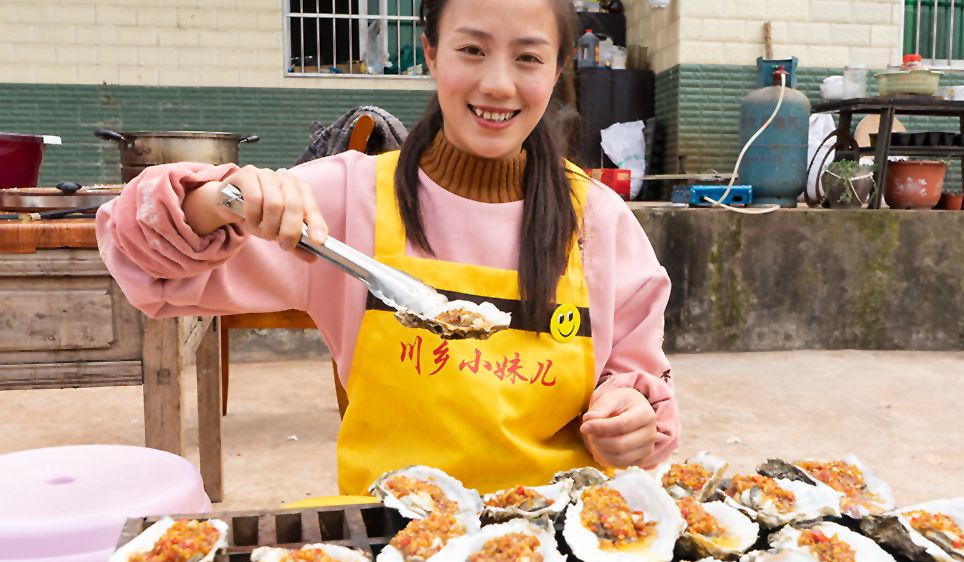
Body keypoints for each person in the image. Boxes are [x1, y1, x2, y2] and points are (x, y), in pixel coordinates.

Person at [96, 0, 680, 496]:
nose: (498, 83)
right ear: (430, 53)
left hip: (555, 530)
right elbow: (140, 257)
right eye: (471, 50)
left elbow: (642, 390)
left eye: (528, 57)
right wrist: (213, 201)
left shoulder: (598, 219)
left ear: (557, 71)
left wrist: (630, 416)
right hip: (389, 530)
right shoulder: (348, 198)